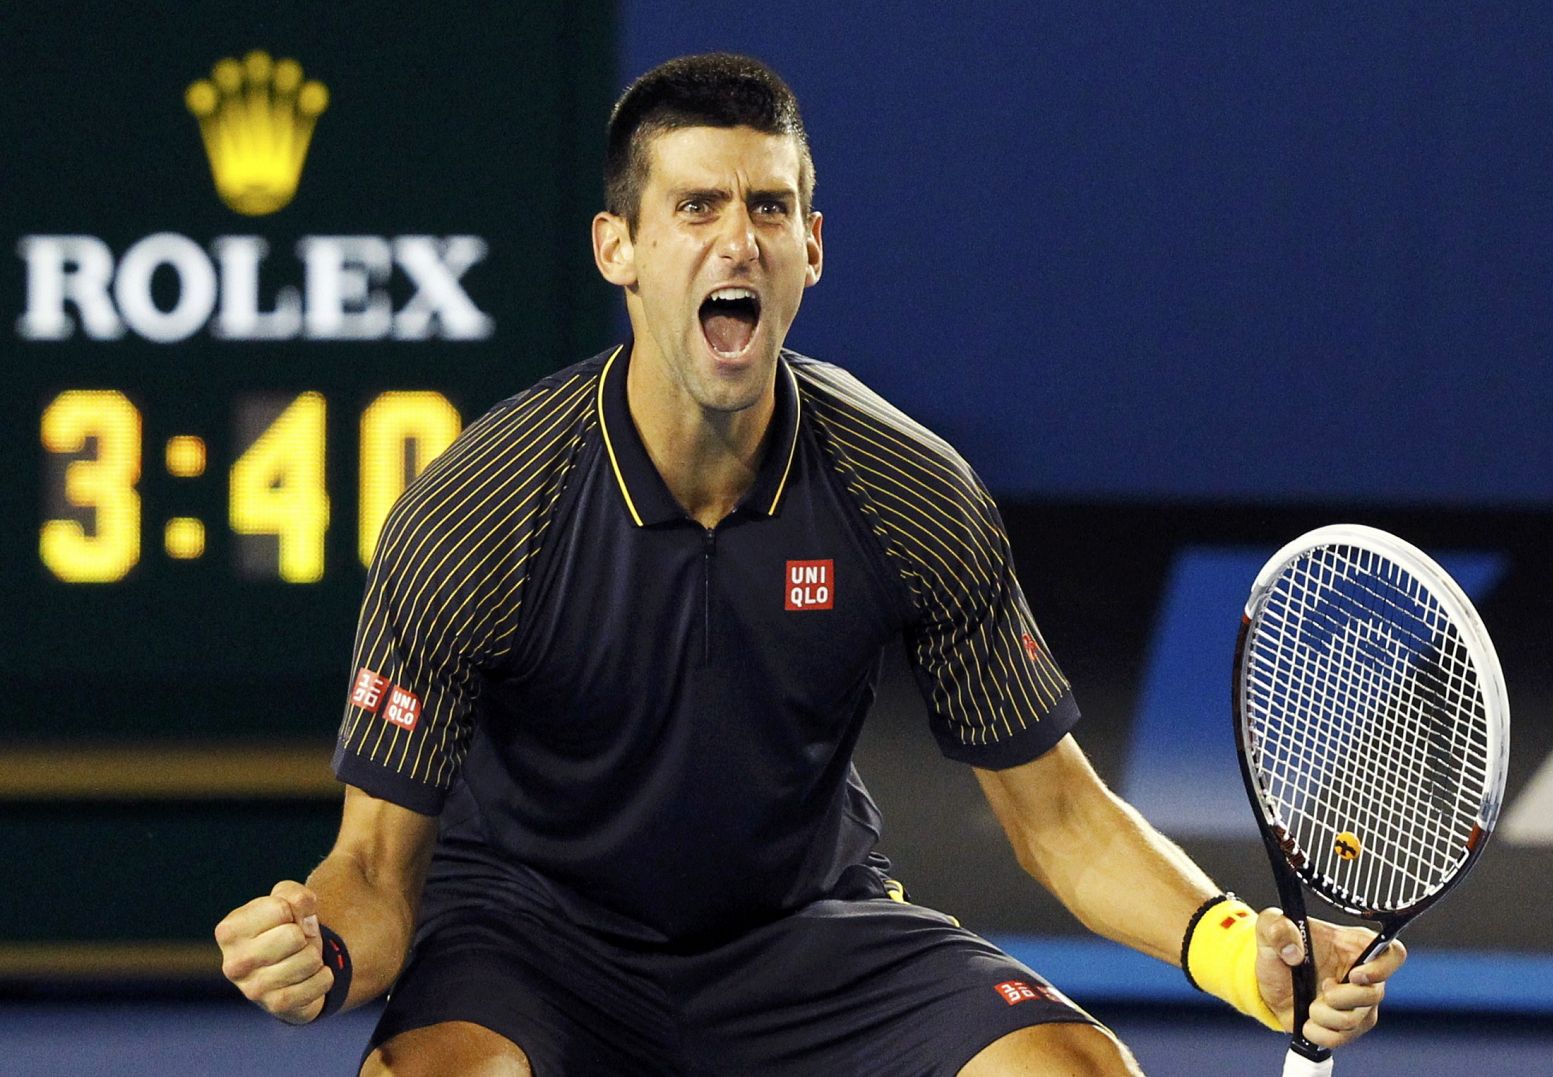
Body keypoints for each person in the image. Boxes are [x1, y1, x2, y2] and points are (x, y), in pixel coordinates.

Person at [214, 53, 1405, 1076]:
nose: (738, 237)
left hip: (800, 934)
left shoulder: (908, 490)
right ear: (617, 248)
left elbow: (1062, 820)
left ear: (812, 248)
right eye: (695, 208)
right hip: (530, 939)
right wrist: (316, 948)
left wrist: (1237, 954)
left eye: (770, 208)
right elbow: (374, 868)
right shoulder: (478, 512)